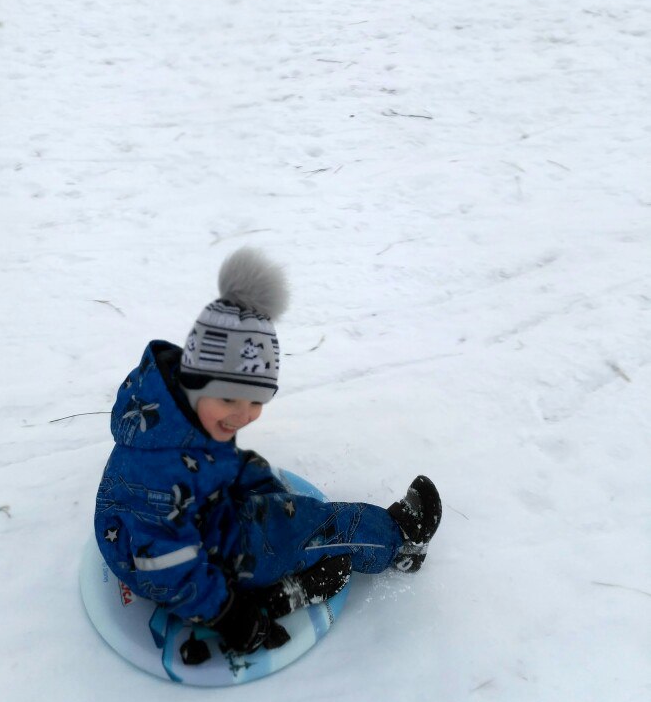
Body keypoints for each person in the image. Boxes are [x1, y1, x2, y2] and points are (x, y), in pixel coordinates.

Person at [94, 248, 442, 657]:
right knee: (311, 527)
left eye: (255, 401)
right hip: (177, 562)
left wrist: (259, 488)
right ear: (195, 377)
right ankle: (398, 542)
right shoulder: (158, 483)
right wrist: (229, 615)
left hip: (182, 519)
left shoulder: (172, 410)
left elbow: (209, 466)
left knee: (255, 474)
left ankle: (288, 574)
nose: (242, 416)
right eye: (230, 400)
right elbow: (168, 566)